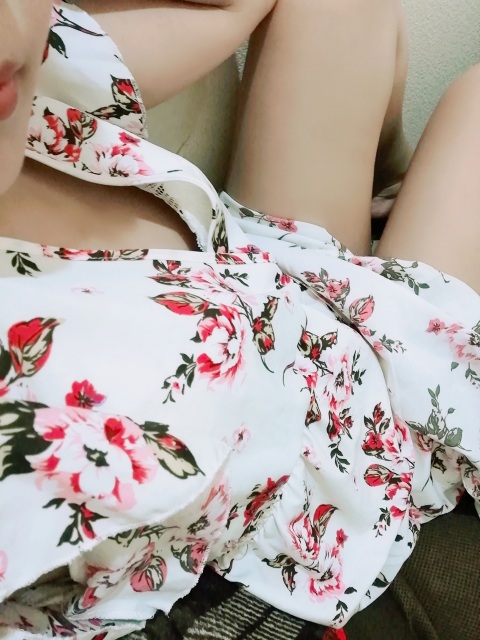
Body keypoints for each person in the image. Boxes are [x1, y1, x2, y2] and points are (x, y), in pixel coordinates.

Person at [0, 1, 478, 639]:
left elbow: (218, 15)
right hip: (338, 476)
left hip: (271, 289)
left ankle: (388, 204)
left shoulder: (24, 57)